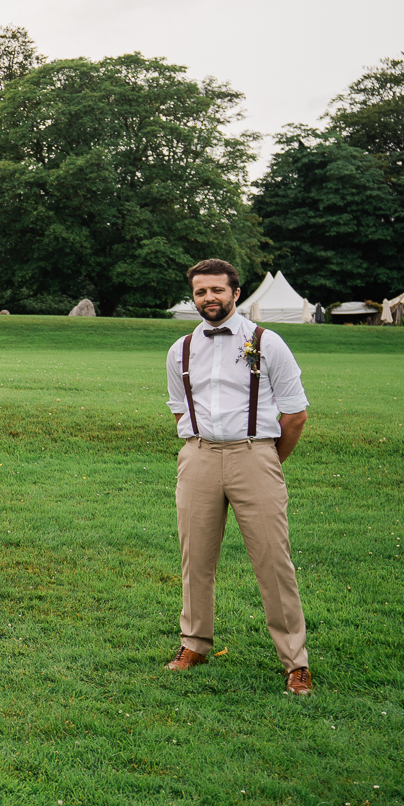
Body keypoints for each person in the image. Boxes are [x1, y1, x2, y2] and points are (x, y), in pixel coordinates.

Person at [164, 258, 314, 695]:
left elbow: (296, 415)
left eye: (216, 290)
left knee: (273, 561)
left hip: (256, 456)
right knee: (196, 559)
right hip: (198, 458)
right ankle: (194, 644)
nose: (208, 298)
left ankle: (295, 662)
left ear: (236, 292)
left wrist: (265, 461)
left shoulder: (268, 342)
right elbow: (179, 409)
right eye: (200, 292)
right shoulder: (181, 350)